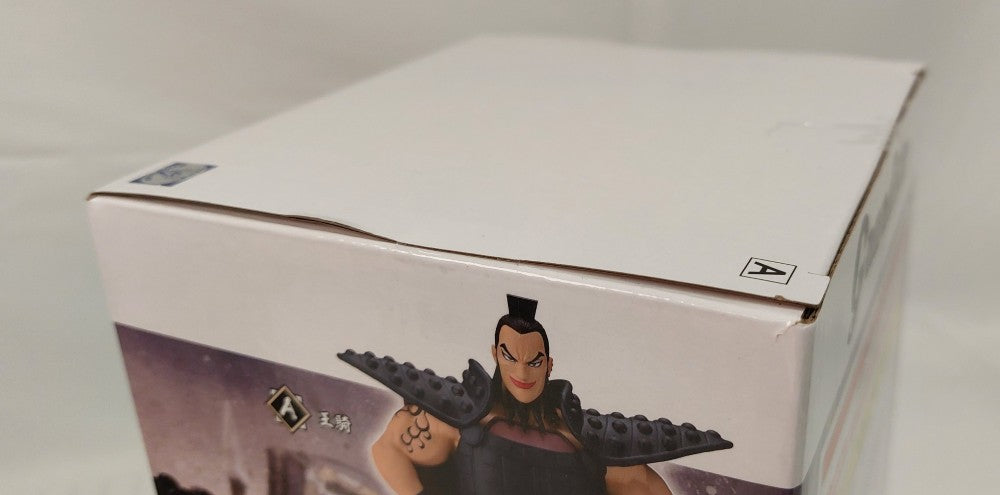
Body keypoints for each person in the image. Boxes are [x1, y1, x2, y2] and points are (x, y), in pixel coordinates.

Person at [339, 295, 732, 495]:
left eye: (534, 360)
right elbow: (388, 449)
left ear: (549, 364)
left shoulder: (590, 446)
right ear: (495, 354)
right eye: (510, 356)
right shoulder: (457, 423)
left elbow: (644, 486)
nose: (522, 372)